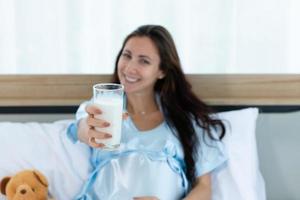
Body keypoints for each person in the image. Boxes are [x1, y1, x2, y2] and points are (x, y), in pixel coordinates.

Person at [67, 25, 227, 200]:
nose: (129, 68)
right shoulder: (101, 107)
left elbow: (204, 187)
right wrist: (88, 130)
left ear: (162, 70)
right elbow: (82, 127)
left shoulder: (187, 120)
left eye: (144, 61)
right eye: (126, 55)